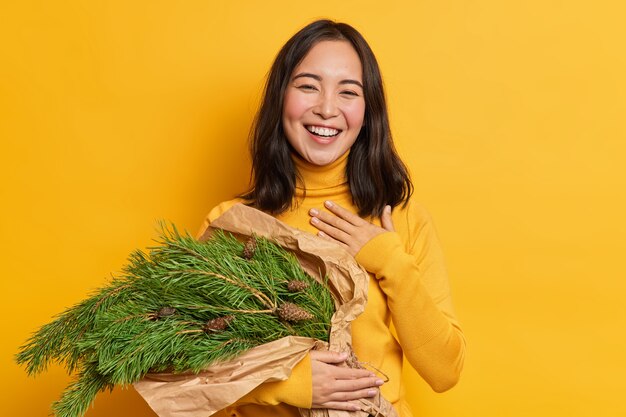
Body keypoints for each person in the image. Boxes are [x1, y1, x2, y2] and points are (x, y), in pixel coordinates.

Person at [196, 19, 465, 417]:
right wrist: (288, 383)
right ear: (280, 97)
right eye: (307, 86)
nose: (326, 108)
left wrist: (390, 262)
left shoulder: (401, 220)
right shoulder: (232, 224)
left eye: (348, 92)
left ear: (367, 109)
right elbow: (183, 373)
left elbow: (445, 371)